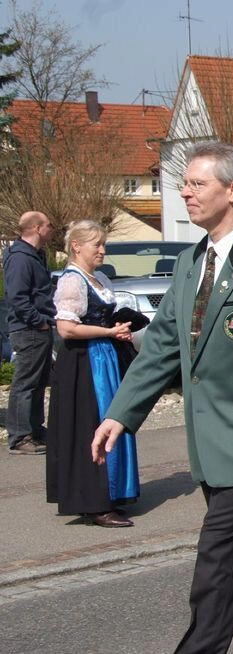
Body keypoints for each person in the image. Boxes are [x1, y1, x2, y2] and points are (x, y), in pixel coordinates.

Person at [92, 142, 233, 653]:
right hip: (208, 442)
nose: (185, 193)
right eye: (184, 183)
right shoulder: (192, 261)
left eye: (197, 183)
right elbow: (163, 346)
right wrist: (121, 414)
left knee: (219, 565)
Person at [46, 220, 138, 527]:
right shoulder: (72, 281)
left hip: (104, 358)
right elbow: (67, 329)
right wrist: (109, 332)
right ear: (76, 246)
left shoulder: (98, 278)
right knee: (89, 424)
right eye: (96, 244)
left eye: (103, 244)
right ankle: (94, 501)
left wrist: (118, 330)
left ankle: (112, 492)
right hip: (83, 363)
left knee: (112, 417)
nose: (102, 250)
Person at [3, 211, 56, 455]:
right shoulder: (21, 259)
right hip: (29, 329)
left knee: (38, 382)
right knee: (26, 383)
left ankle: (34, 430)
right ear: (36, 228)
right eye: (48, 225)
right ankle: (20, 436)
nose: (52, 229)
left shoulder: (35, 255)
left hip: (38, 327)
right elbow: (17, 297)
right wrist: (39, 322)